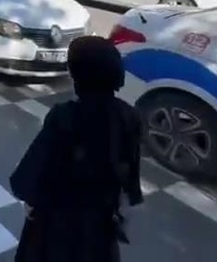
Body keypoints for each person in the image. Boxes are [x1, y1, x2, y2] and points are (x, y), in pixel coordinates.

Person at [10, 36, 143, 262]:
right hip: (101, 229)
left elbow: (29, 176)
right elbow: (130, 175)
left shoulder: (64, 116)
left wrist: (31, 201)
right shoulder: (129, 116)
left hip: (55, 227)